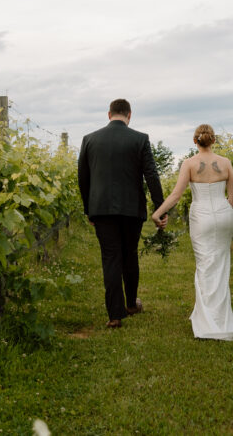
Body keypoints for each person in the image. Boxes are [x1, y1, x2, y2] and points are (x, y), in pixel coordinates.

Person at [78, 99, 164, 328]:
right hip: (131, 209)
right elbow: (151, 175)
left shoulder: (89, 139)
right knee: (129, 254)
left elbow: (83, 178)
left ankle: (115, 314)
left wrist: (89, 210)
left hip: (101, 209)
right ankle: (131, 304)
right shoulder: (140, 139)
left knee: (111, 257)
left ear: (109, 114)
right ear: (129, 115)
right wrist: (160, 208)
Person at [151, 124, 233, 341]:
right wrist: (224, 211)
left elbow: (176, 195)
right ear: (214, 140)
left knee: (205, 265)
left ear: (195, 141)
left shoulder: (189, 164)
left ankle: (209, 323)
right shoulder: (226, 162)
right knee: (221, 264)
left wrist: (157, 213)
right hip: (225, 214)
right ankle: (220, 320)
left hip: (201, 216)